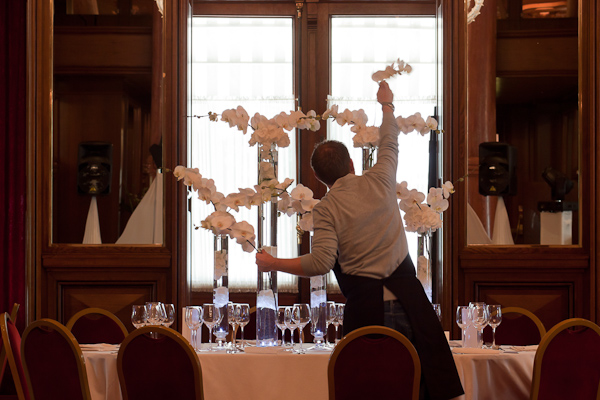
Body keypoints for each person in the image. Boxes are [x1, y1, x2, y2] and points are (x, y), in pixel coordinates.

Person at [255, 81, 463, 400]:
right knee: (420, 390)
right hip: (412, 306)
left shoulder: (326, 208)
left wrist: (272, 263)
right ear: (352, 163)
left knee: (371, 391)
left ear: (319, 179)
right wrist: (386, 106)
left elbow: (321, 263)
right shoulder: (380, 178)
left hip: (367, 311)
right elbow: (389, 142)